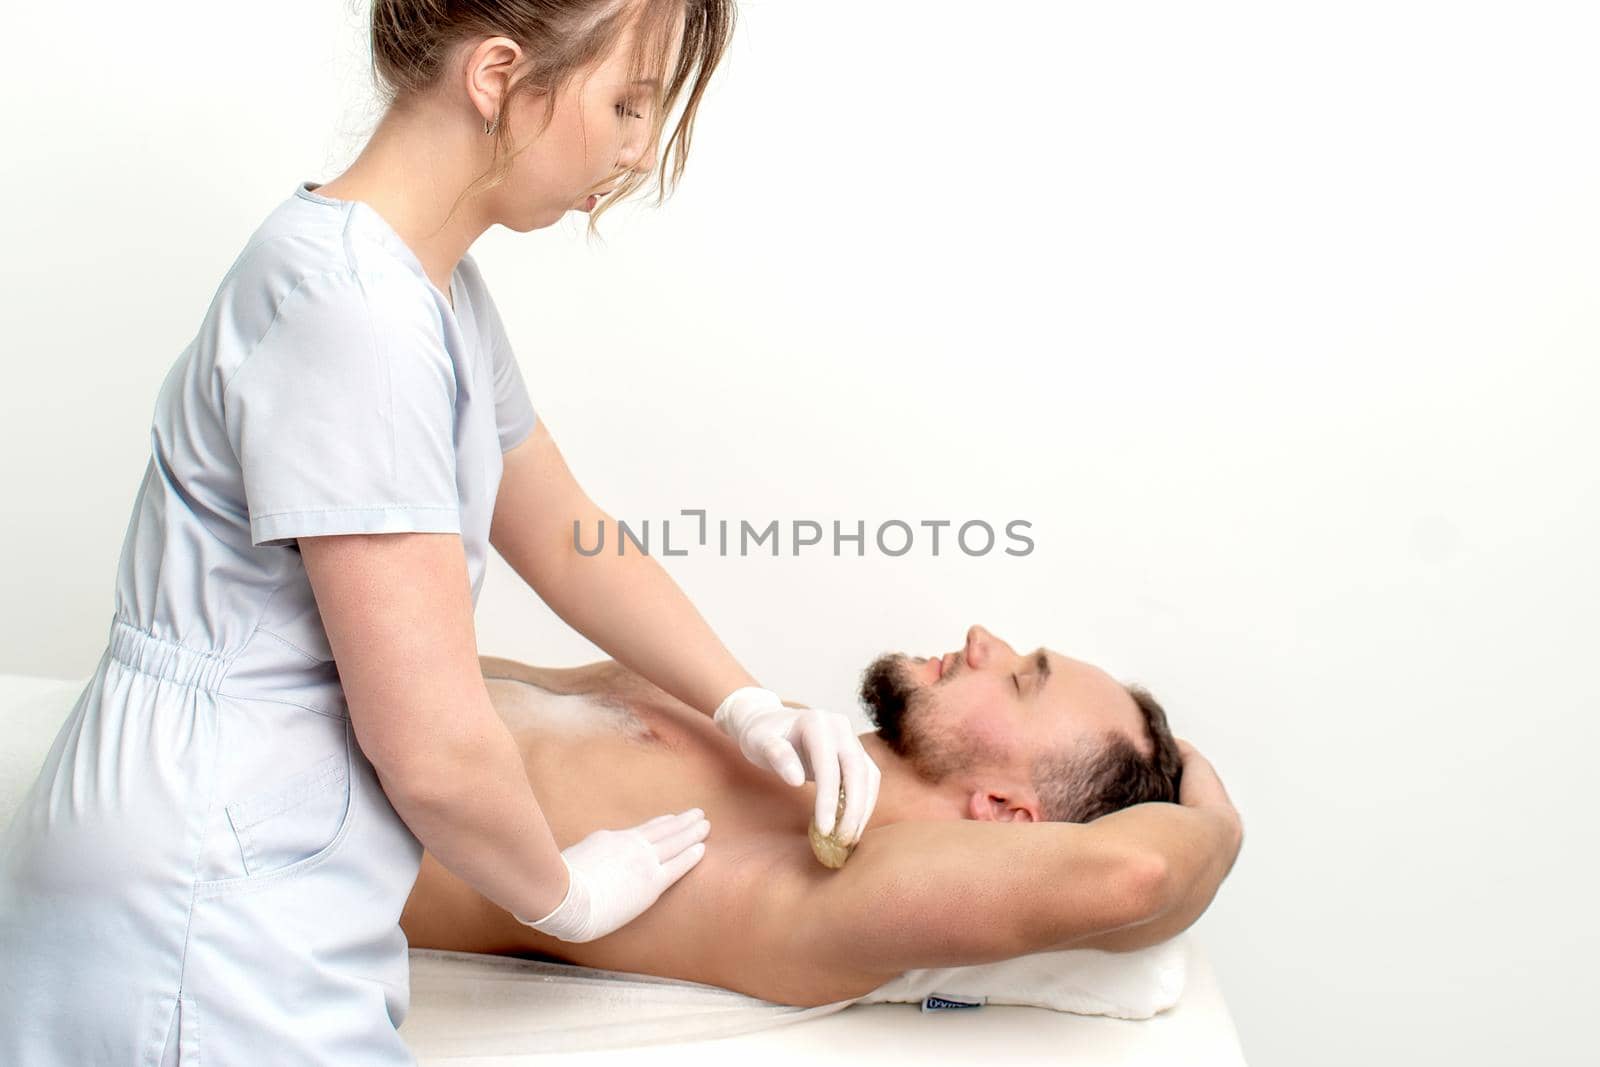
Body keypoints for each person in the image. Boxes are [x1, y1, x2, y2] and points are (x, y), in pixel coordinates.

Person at [0, 2, 883, 1063]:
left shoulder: (425, 289)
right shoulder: (354, 315)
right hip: (200, 895)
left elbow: (564, 532)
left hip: (247, 866)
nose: (637, 148)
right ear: (499, 75)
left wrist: (744, 701)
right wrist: (564, 893)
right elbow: (430, 745)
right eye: (625, 104)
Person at [399, 624, 1246, 1006]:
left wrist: (1220, 821)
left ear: (1005, 814)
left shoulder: (839, 894)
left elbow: (1140, 873)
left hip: (282, 836)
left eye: (1022, 679)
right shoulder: (781, 730)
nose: (986, 639)